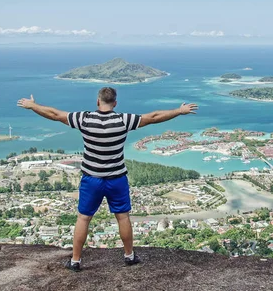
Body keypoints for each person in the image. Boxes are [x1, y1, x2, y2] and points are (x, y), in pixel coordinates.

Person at [17, 87, 198, 272]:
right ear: (115, 103)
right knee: (123, 217)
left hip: (91, 179)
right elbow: (153, 117)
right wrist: (179, 111)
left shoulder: (84, 118)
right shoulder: (123, 120)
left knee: (83, 218)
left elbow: (54, 114)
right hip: (116, 178)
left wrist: (33, 106)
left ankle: (76, 261)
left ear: (97, 101)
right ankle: (129, 256)